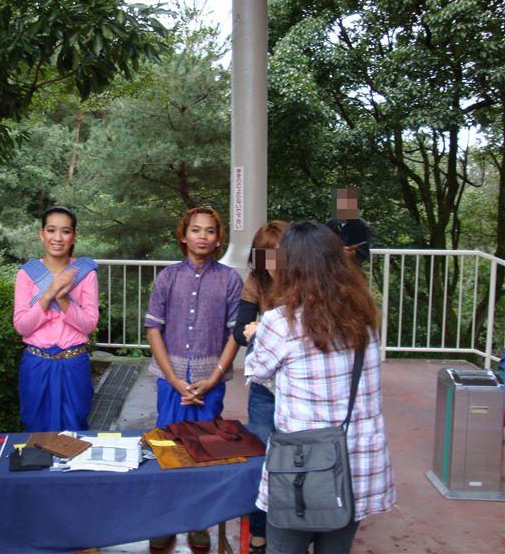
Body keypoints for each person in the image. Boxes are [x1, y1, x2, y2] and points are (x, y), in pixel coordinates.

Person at [245, 221, 395, 554]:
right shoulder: (365, 319)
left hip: (301, 465)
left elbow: (256, 371)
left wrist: (255, 336)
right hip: (356, 462)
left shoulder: (279, 322)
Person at [144, 206, 243, 552]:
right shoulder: (167, 277)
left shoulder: (230, 279)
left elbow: (235, 334)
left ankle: (200, 523)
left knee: (206, 450)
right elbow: (153, 329)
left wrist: (214, 377)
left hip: (208, 385)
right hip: (170, 382)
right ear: (183, 236)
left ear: (218, 239)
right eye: (196, 230)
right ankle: (165, 520)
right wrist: (173, 379)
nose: (202, 236)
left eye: (210, 231)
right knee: (167, 448)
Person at [13, 206, 99, 432]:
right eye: (51, 230)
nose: (58, 238)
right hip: (37, 363)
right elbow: (22, 327)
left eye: (65, 231)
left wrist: (62, 298)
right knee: (35, 431)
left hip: (73, 363)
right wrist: (50, 292)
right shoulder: (26, 274)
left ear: (74, 236)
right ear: (41, 234)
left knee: (75, 430)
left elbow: (89, 325)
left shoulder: (85, 273)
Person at [232, 220, 289, 554]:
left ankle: (296, 530)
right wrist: (259, 330)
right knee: (261, 455)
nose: (274, 263)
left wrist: (263, 329)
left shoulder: (308, 281)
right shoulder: (256, 281)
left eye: (280, 254)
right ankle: (259, 532)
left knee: (297, 457)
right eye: (266, 255)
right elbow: (240, 330)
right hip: (265, 386)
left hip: (300, 386)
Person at [326, 187, 371, 264]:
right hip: (331, 264)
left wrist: (350, 252)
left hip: (351, 266)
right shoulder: (331, 223)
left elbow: (364, 251)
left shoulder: (361, 225)